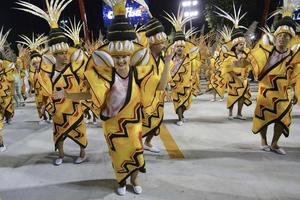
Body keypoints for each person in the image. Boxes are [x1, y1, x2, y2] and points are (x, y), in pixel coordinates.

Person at [17, 0, 89, 165]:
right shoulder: (47, 72)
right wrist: (43, 104)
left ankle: (82, 153)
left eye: (66, 52)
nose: (65, 55)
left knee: (79, 132)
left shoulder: (75, 70)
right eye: (61, 53)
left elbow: (86, 86)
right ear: (54, 55)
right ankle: (61, 155)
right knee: (59, 134)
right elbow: (44, 90)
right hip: (57, 110)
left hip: (74, 109)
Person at [247, 13, 300, 155]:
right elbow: (250, 61)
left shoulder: (294, 56)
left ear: (291, 38)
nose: (283, 37)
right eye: (280, 35)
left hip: (283, 93)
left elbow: (296, 75)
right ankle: (263, 140)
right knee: (262, 116)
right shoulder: (264, 52)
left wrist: (296, 91)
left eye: (286, 35)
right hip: (265, 91)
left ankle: (275, 143)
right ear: (276, 36)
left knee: (283, 118)